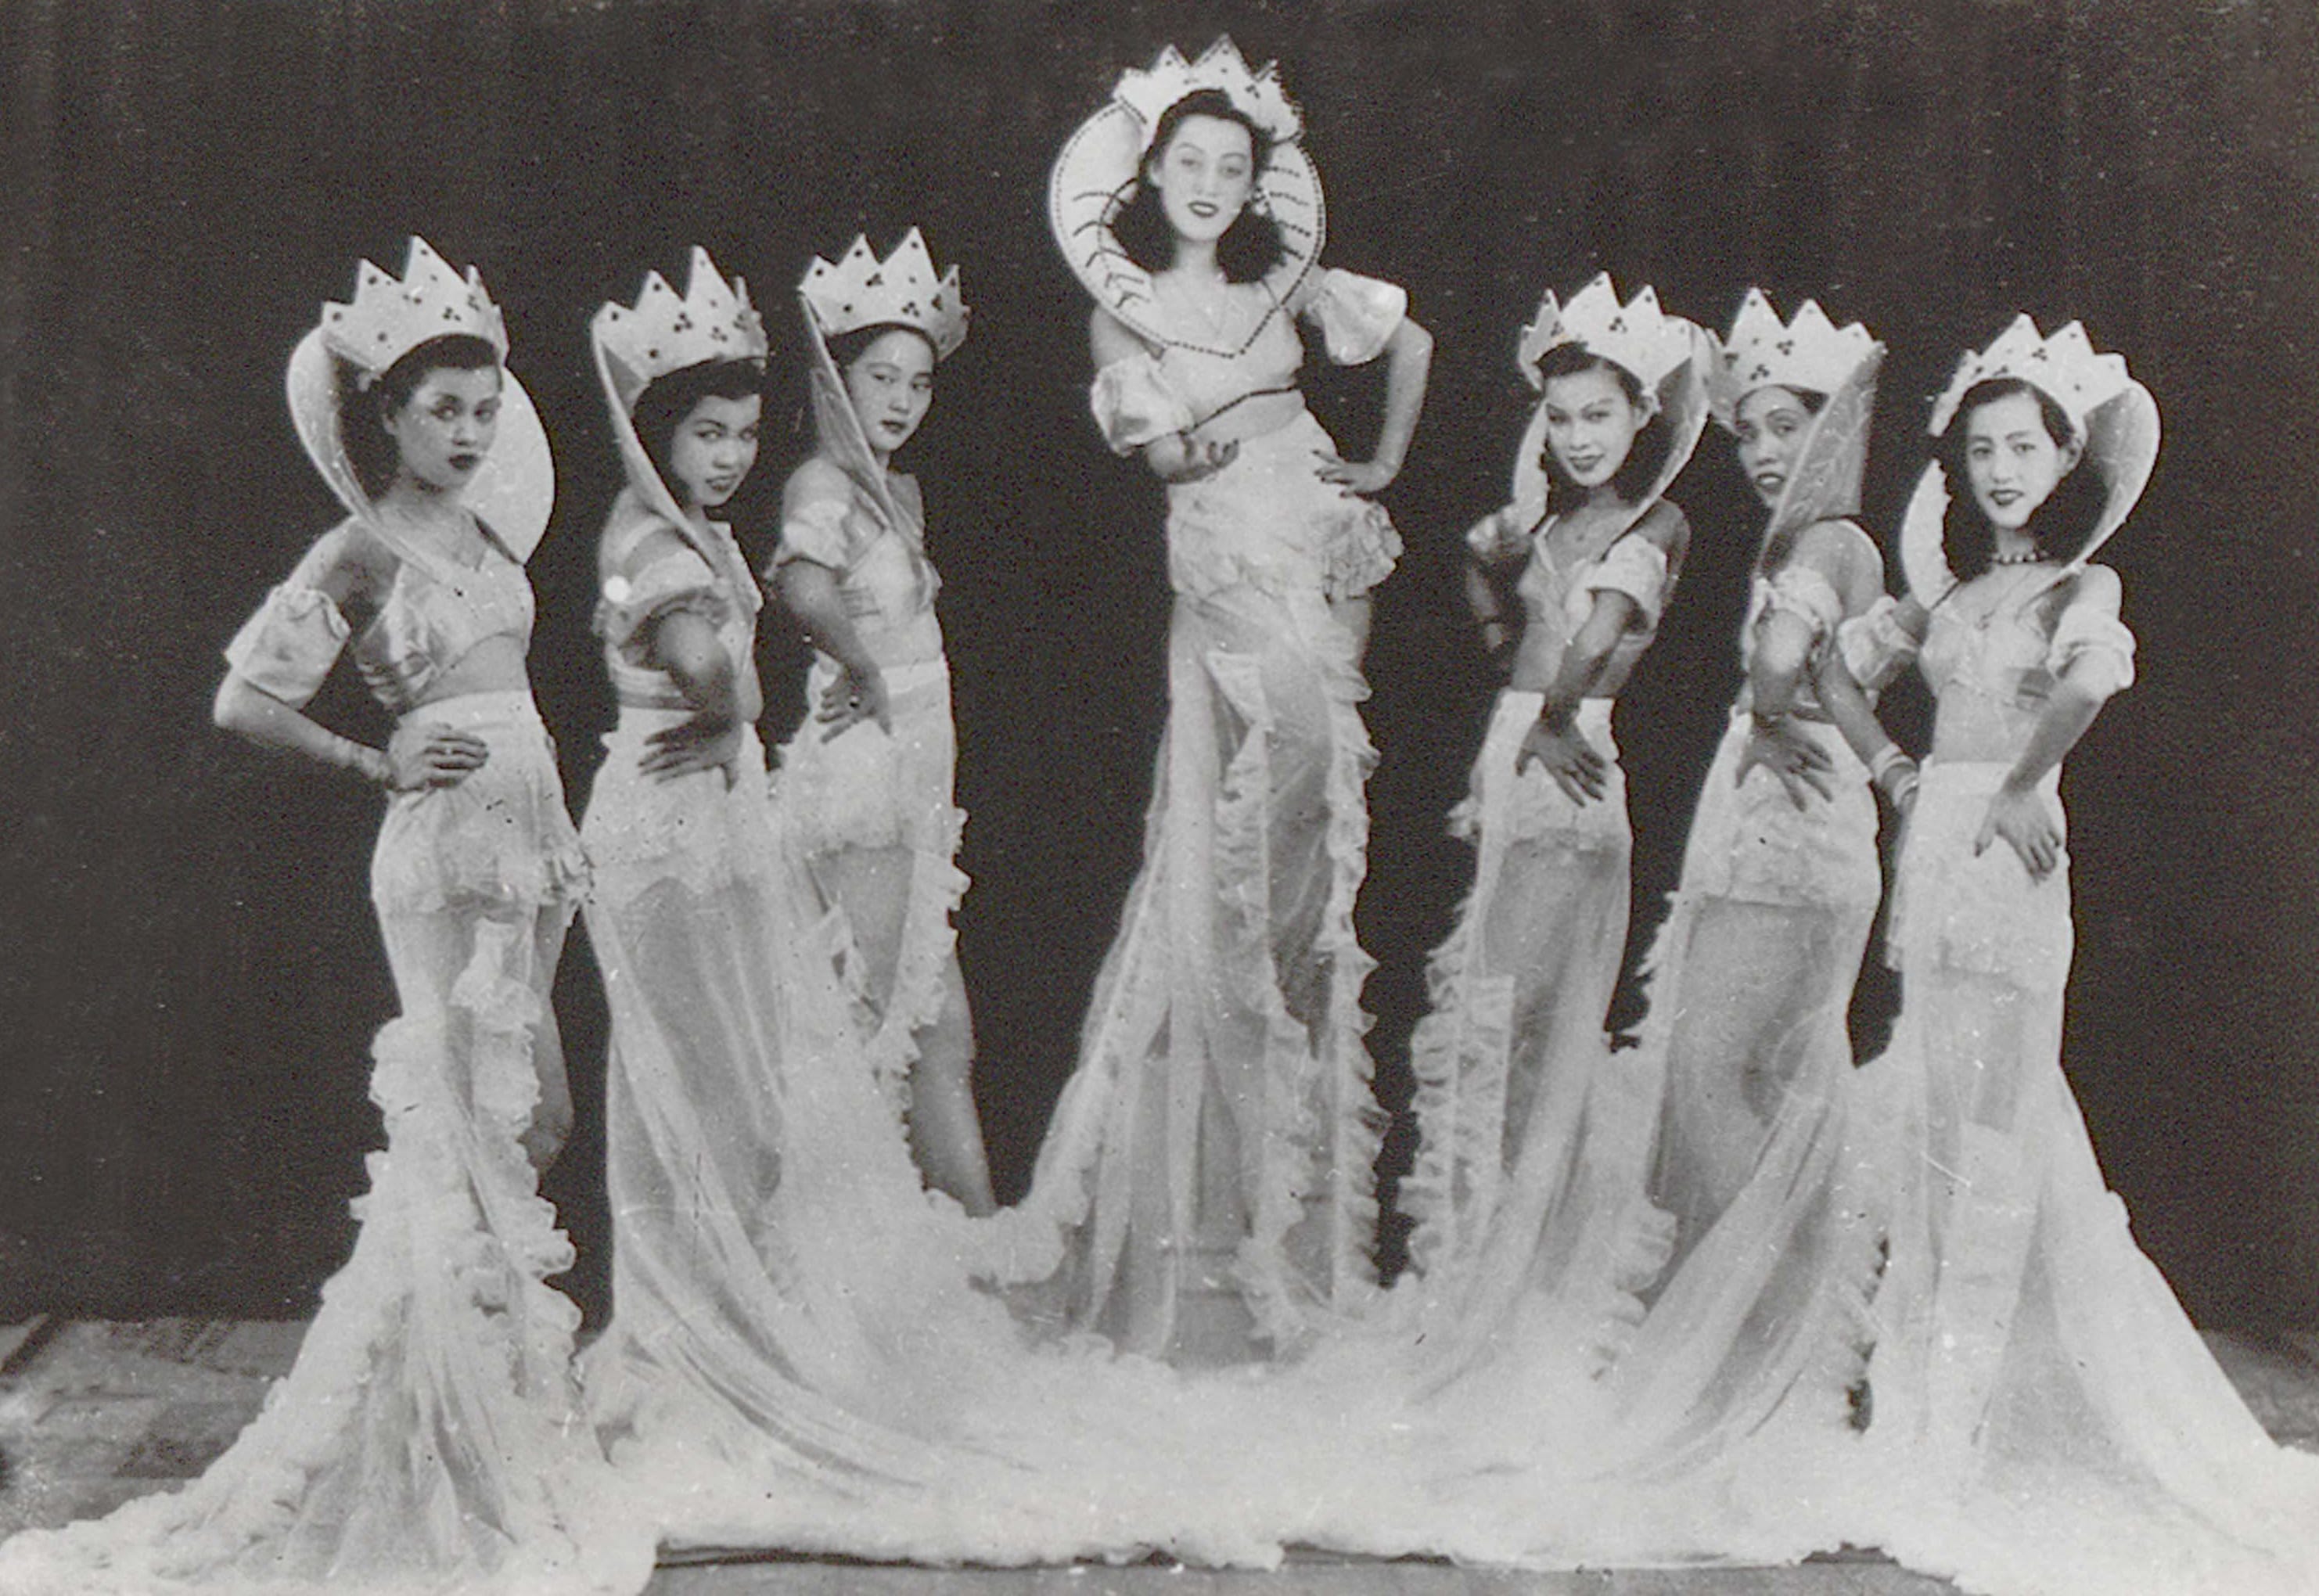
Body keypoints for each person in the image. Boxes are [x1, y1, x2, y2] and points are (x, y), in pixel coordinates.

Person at [0, 239, 646, 1594]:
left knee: (535, 1120)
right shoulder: (358, 545)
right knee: (469, 1138)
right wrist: (375, 757)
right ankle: (464, 1459)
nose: (466, 433)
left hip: (528, 846)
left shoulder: (483, 531)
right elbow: (243, 698)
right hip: (444, 853)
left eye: (483, 407)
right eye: (439, 410)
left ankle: (486, 1428)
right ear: (385, 418)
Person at [1839, 318, 2319, 1595]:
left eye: (2022, 448)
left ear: (2064, 463)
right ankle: (1917, 1416)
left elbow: (2088, 681)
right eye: (1980, 448)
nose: (1998, 469)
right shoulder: (1945, 594)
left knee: (1995, 1135)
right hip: (1932, 842)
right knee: (1938, 1121)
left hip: (2002, 856)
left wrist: (2020, 781)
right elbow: (1836, 671)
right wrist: (1895, 765)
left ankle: (1964, 1433)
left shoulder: (2074, 590)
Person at [1016, 37, 1433, 1364]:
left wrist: (1376, 458)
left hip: (1309, 523)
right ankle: (1204, 1167)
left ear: (1258, 187)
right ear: (1150, 177)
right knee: (1261, 786)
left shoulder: (1282, 286)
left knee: (1324, 792)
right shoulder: (1125, 302)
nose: (1205, 183)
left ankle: (1288, 1182)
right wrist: (1177, 438)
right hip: (1221, 551)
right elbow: (1160, 448)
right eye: (1184, 163)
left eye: (1228, 167)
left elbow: (1406, 340)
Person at [1396, 275, 1711, 1374]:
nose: (1580, 437)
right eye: (1563, 417)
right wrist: (1504, 635)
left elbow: (1613, 625)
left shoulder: (1655, 515)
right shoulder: (1553, 520)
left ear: (1643, 419)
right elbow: (1491, 583)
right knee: (1508, 1023)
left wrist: (1562, 711)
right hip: (1522, 747)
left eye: (1602, 415)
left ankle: (1501, 1295)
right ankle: (1487, 1276)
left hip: (1564, 759)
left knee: (1513, 1023)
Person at [766, 229, 995, 1215]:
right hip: (863, 774)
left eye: (919, 382)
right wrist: (859, 664)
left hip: (916, 772)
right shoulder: (823, 484)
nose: (900, 400)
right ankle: (866, 1262)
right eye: (880, 377)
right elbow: (801, 587)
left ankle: (967, 1247)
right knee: (879, 1014)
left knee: (937, 1025)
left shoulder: (895, 488)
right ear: (838, 380)